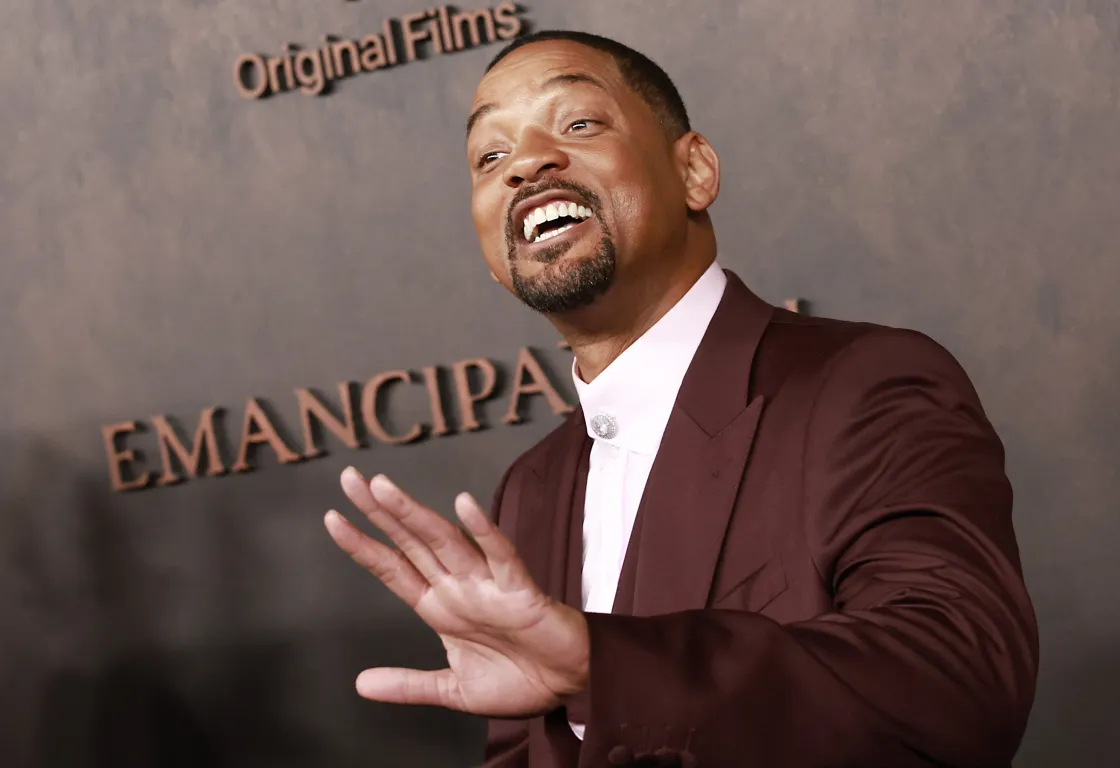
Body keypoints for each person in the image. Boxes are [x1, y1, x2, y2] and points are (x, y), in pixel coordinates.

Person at [323, 29, 1039, 768]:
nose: (526, 164)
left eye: (577, 123)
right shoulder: (529, 491)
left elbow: (958, 681)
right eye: (490, 157)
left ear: (694, 170)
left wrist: (604, 669)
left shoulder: (864, 383)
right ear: (495, 259)